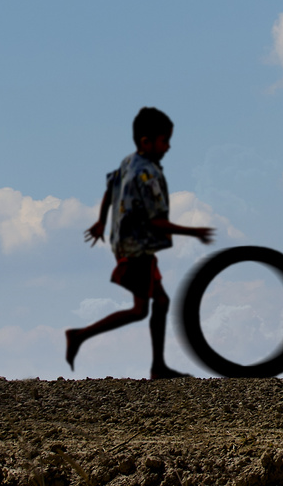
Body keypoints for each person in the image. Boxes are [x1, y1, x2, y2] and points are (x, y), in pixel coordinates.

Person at [65, 106, 213, 378]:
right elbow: (155, 221)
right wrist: (195, 232)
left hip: (125, 244)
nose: (168, 146)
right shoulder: (147, 175)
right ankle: (80, 335)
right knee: (140, 310)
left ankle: (158, 366)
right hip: (137, 249)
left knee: (162, 302)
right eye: (164, 140)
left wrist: (101, 221)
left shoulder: (128, 162)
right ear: (147, 142)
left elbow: (110, 188)